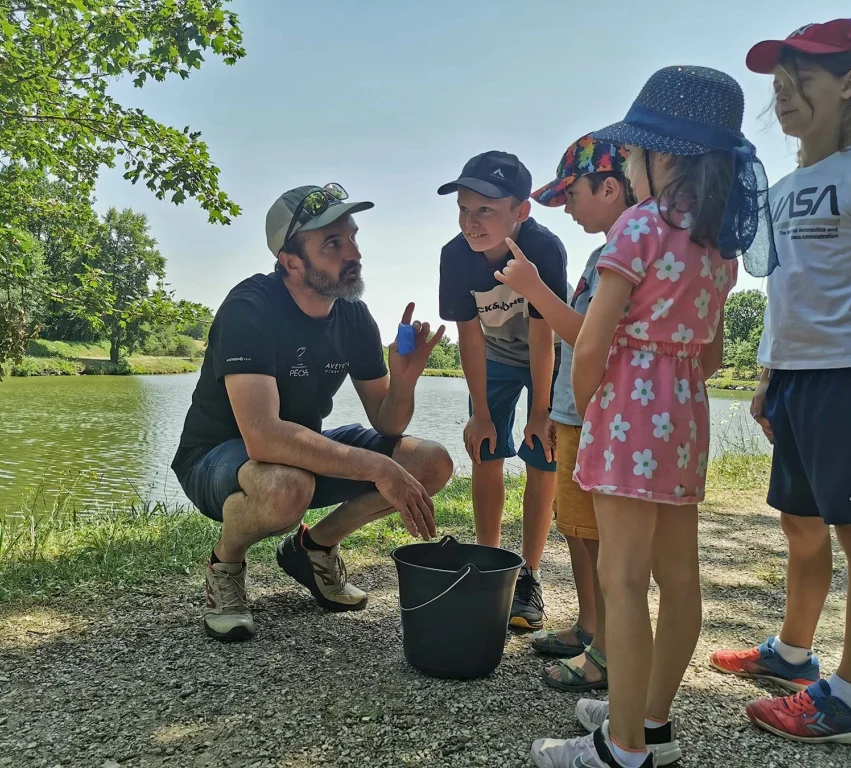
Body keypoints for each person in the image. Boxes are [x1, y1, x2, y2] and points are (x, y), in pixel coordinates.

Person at [532, 66, 778, 768]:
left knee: (623, 579)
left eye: (632, 154)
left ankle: (623, 747)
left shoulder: (639, 227)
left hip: (626, 414)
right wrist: (670, 381)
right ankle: (653, 720)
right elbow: (709, 355)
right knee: (680, 579)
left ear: (661, 156)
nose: (628, 167)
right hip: (685, 416)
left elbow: (593, 338)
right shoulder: (717, 243)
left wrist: (592, 402)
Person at [709, 19, 851, 746]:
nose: (785, 95)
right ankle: (794, 656)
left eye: (801, 79)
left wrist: (846, 337)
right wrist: (773, 369)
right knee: (800, 524)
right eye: (778, 84)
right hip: (796, 383)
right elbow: (787, 291)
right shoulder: (784, 189)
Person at [171, 183, 454, 641]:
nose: (353, 253)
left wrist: (404, 379)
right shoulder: (250, 309)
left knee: (430, 462)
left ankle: (313, 547)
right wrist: (378, 467)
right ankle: (225, 565)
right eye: (332, 243)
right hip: (216, 458)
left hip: (292, 454)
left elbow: (388, 423)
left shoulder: (354, 316)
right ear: (291, 262)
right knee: (288, 486)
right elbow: (263, 437)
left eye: (353, 238)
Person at [495, 135, 635, 693]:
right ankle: (588, 628)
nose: (569, 207)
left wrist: (533, 290)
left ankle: (603, 650)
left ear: (609, 186)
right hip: (576, 415)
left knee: (598, 538)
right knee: (576, 530)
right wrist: (554, 408)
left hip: (600, 417)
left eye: (572, 194)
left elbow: (588, 338)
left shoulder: (625, 253)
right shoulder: (605, 252)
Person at [438, 151, 569, 630]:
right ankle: (489, 565)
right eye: (464, 209)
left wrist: (541, 409)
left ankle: (530, 575)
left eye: (486, 210)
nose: (471, 222)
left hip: (545, 358)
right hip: (491, 359)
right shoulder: (455, 257)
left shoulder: (544, 249)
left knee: (542, 453)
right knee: (486, 450)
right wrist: (480, 414)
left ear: (521, 212)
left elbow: (543, 335)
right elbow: (469, 335)